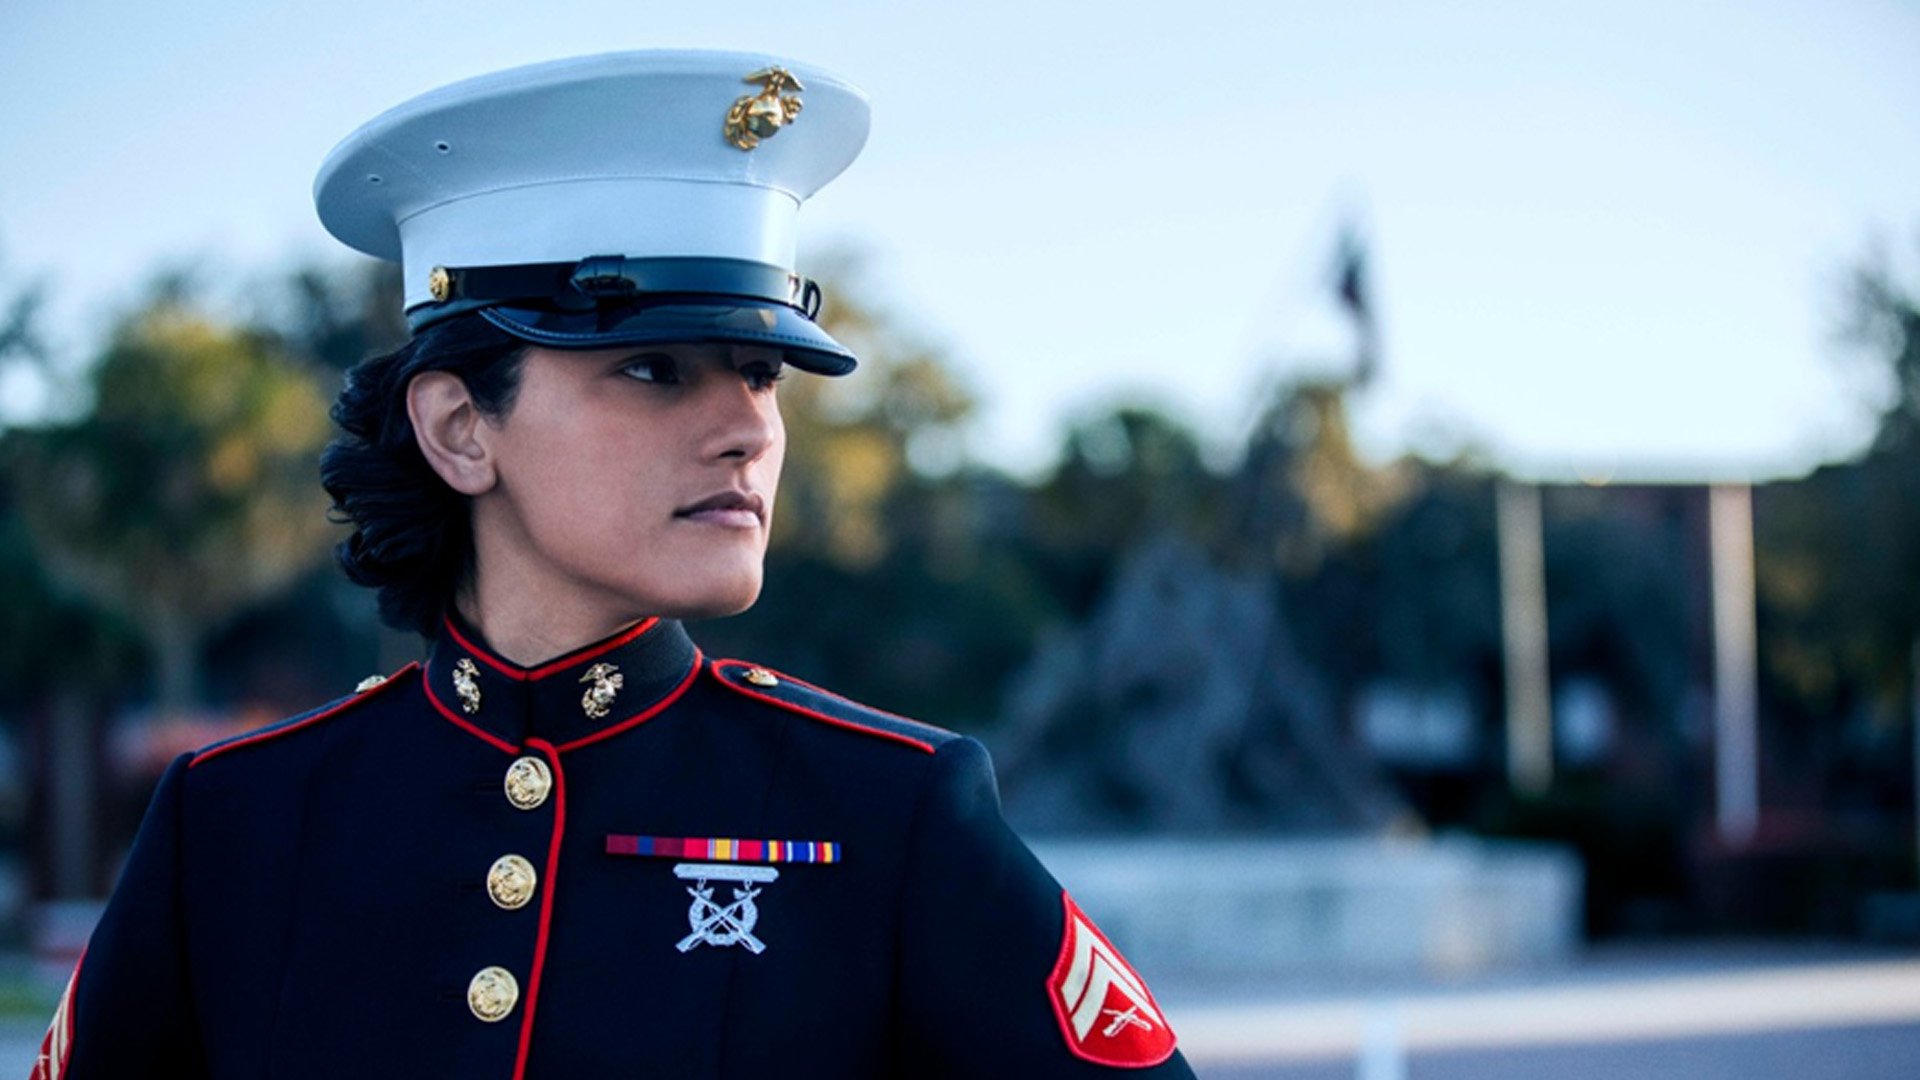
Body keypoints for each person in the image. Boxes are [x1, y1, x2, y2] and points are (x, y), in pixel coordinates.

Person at [32, 51, 1196, 1079]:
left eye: (760, 373)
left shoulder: (894, 811)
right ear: (458, 428)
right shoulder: (237, 822)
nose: (746, 426)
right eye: (653, 370)